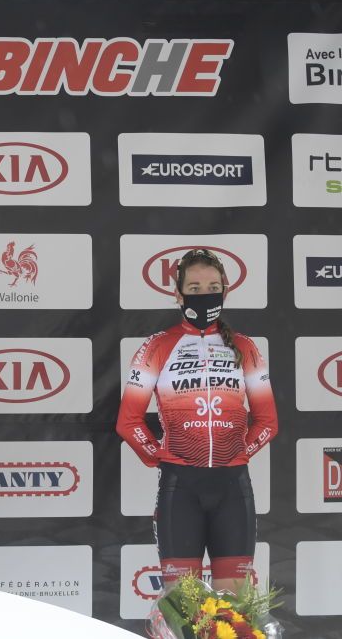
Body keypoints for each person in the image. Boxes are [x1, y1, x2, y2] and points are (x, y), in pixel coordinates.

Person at [116, 248, 277, 593]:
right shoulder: (157, 347)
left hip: (233, 488)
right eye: (195, 287)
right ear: (178, 293)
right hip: (181, 488)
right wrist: (159, 456)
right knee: (183, 607)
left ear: (225, 291)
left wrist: (238, 453)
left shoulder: (246, 347)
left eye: (212, 287)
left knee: (234, 610)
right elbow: (128, 421)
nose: (205, 295)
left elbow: (267, 422)